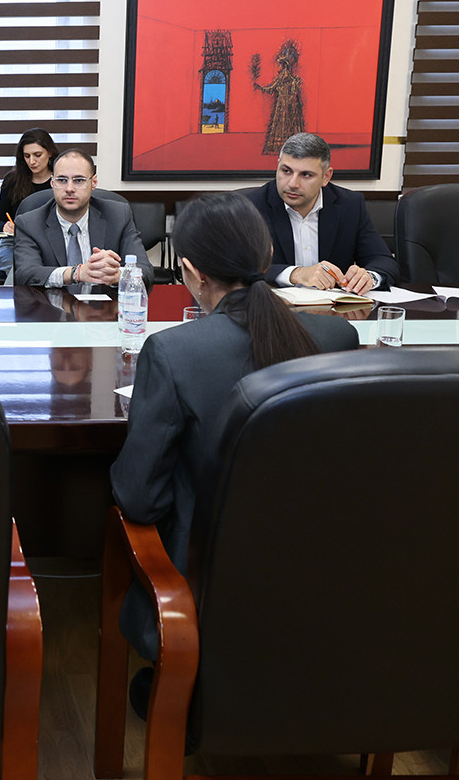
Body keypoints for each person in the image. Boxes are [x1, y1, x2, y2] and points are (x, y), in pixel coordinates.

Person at [109, 192, 359, 662]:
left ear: (192, 272)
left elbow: (139, 497)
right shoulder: (338, 336)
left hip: (205, 590)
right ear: (267, 255)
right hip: (323, 575)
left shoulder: (172, 351)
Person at [246, 131, 396, 292]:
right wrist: (295, 274)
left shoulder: (350, 205)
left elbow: (383, 260)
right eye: (286, 171)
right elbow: (240, 266)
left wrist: (369, 277)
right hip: (274, 304)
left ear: (326, 177)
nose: (293, 183)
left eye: (306, 175)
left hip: (335, 305)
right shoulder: (250, 206)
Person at [11, 148, 154, 289]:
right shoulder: (29, 223)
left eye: (79, 180)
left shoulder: (118, 215)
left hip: (105, 303)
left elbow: (145, 271)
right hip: (48, 303)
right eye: (62, 180)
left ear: (94, 182)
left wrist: (116, 275)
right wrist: (77, 273)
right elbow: (25, 274)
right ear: (52, 183)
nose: (69, 188)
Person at [0, 128, 58, 277]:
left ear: (49, 153)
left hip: (51, 245)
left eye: (37, 155)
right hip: (14, 244)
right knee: (21, 270)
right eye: (27, 156)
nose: (32, 161)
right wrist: (5, 226)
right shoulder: (12, 180)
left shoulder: (61, 180)